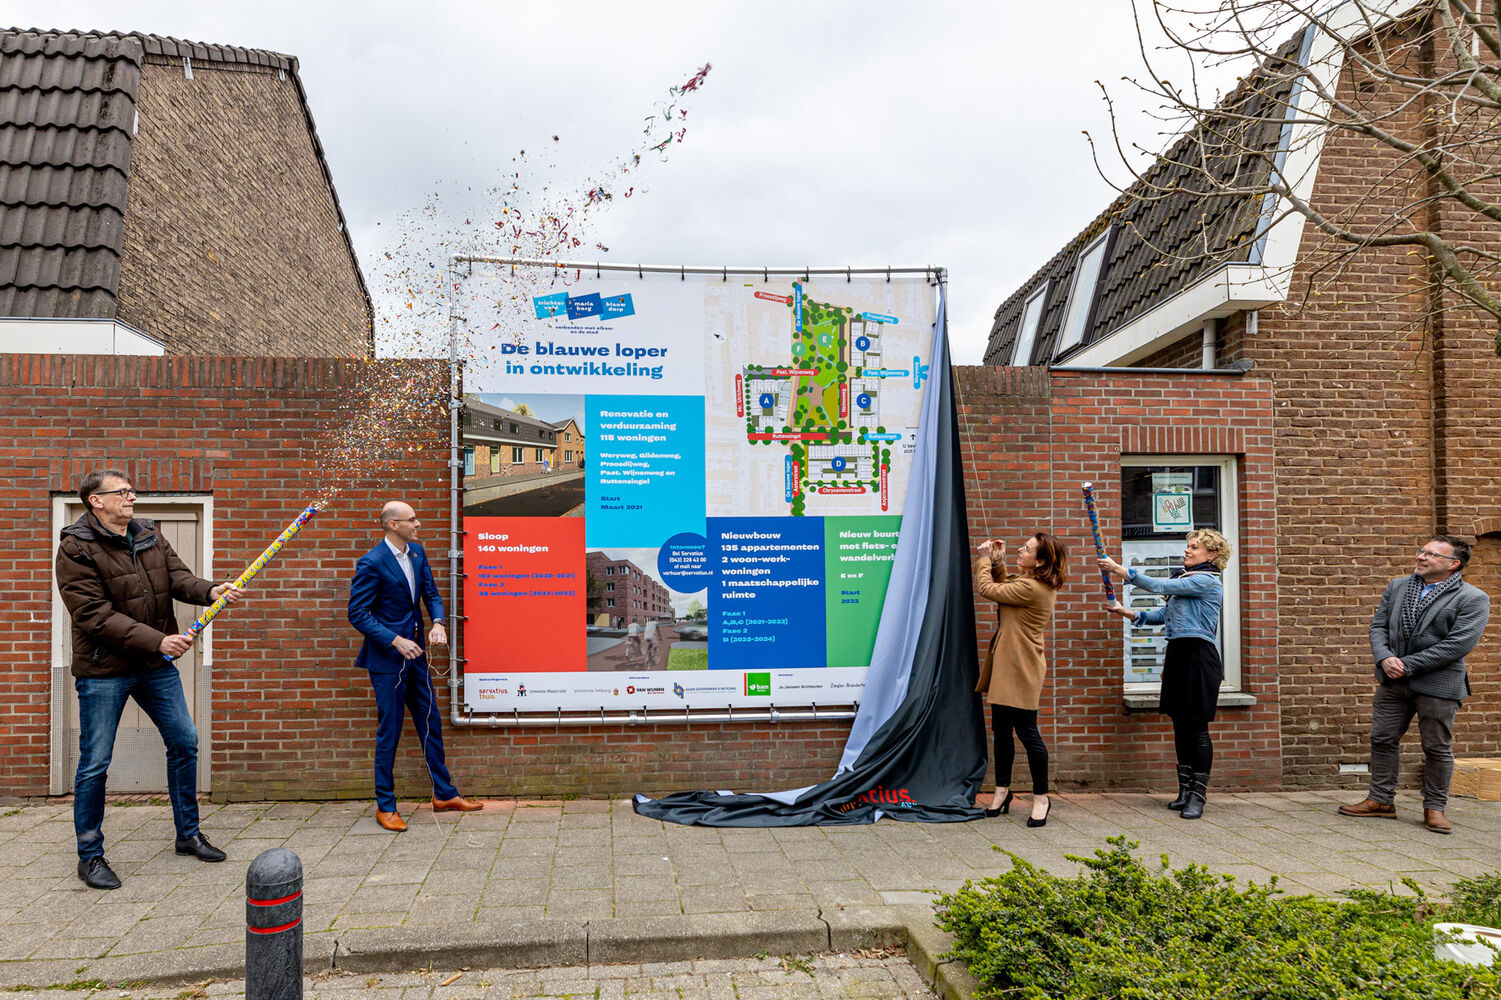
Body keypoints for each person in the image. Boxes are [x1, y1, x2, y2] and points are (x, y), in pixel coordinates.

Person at [55, 469, 243, 890]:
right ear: (95, 501)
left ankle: (188, 835)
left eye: (131, 491)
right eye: (122, 492)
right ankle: (90, 856)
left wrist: (211, 590)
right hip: (105, 670)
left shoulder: (149, 534)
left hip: (153, 667)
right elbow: (93, 615)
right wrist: (159, 640)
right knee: (95, 762)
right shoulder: (75, 547)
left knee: (184, 741)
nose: (131, 497)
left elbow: (176, 578)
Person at [1339, 535, 1490, 834]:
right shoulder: (1398, 586)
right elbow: (1378, 626)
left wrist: (1407, 665)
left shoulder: (1472, 598)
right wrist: (1384, 658)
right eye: (1422, 551)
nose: (1421, 557)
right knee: (1382, 739)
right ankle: (1380, 801)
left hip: (1438, 684)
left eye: (1432, 554)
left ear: (1453, 564)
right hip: (1392, 681)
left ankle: (1434, 807)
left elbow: (1458, 645)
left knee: (1436, 747)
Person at [348, 501, 482, 831]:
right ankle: (386, 806)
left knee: (430, 721)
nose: (417, 523)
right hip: (387, 662)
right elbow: (358, 614)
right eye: (411, 520)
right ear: (392, 525)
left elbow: (431, 595)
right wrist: (395, 640)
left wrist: (438, 623)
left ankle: (444, 794)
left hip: (418, 657)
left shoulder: (418, 553)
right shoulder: (372, 562)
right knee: (390, 731)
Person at [1100, 529, 1231, 820]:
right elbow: (1163, 615)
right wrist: (1126, 612)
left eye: (1194, 547)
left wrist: (1121, 570)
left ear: (1212, 554)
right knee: (1180, 725)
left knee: (1196, 727)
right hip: (1178, 654)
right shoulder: (1186, 580)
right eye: (1188, 546)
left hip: (1198, 657)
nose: (1187, 550)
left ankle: (1198, 796)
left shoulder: (1206, 580)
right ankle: (1184, 791)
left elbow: (1159, 584)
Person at [972, 532, 1067, 827]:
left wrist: (984, 559)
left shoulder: (1032, 587)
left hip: (1022, 667)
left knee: (1027, 732)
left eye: (1026, 549)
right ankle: (1002, 791)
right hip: (1007, 664)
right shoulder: (1028, 583)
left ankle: (1041, 797)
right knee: (1001, 730)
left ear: (1040, 562)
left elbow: (988, 589)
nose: (1020, 551)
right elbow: (1005, 586)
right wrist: (998, 562)